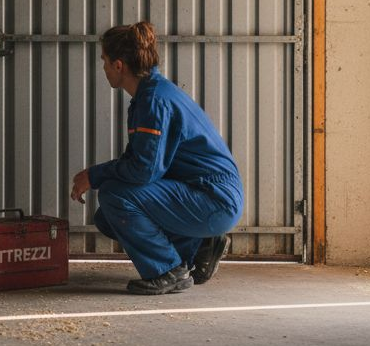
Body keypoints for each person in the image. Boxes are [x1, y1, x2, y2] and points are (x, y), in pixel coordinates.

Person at [70, 22, 244, 295]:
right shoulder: (150, 94)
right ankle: (199, 247)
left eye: (104, 61)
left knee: (116, 197)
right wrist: (97, 175)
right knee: (107, 217)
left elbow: (143, 171)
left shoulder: (154, 101)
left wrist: (93, 175)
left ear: (118, 65)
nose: (102, 67)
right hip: (206, 195)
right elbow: (140, 161)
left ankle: (168, 271)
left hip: (214, 199)